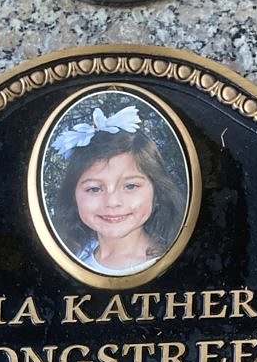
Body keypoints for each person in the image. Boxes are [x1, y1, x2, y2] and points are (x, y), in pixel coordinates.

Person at [52, 104, 187, 276]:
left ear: (157, 192)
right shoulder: (68, 260)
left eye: (130, 186)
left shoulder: (178, 265)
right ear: (73, 196)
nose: (112, 202)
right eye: (94, 189)